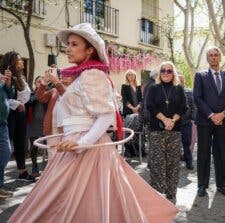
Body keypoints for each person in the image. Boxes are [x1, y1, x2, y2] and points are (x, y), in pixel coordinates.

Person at [8, 23, 178, 222]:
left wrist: (82, 143)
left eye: (74, 44)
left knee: (71, 199)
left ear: (90, 50)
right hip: (74, 143)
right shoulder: (82, 75)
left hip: (86, 146)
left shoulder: (92, 74)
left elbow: (105, 115)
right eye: (68, 44)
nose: (68, 48)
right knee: (63, 198)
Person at [193, 46, 225, 197]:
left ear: (220, 57)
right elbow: (197, 98)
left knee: (220, 153)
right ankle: (202, 185)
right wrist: (212, 115)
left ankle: (221, 185)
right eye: (210, 55)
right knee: (203, 153)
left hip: (222, 122)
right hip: (205, 121)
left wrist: (223, 114)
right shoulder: (200, 76)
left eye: (216, 55)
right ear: (207, 58)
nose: (213, 57)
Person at [146, 61, 187, 201]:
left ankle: (171, 194)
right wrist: (164, 120)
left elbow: (183, 107)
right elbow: (150, 106)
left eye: (169, 71)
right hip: (157, 130)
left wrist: (172, 121)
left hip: (174, 131)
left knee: (173, 164)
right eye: (163, 70)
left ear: (173, 73)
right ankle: (157, 196)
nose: (166, 73)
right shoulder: (153, 88)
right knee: (157, 164)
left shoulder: (178, 88)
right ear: (159, 72)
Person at [1, 51, 35, 182]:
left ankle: (22, 171)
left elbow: (26, 95)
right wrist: (16, 103)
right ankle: (1, 176)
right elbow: (4, 97)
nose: (22, 62)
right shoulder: (4, 76)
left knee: (20, 141)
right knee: (6, 144)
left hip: (21, 113)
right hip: (9, 114)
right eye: (19, 60)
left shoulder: (21, 78)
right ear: (12, 62)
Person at [26, 76, 47, 177]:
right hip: (33, 124)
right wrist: (39, 91)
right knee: (34, 147)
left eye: (42, 81)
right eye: (38, 81)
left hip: (46, 124)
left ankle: (49, 169)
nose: (40, 83)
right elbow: (30, 102)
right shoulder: (31, 94)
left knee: (48, 146)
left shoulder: (48, 94)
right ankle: (34, 168)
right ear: (35, 83)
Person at [121, 69, 143, 158]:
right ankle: (128, 150)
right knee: (128, 130)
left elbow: (141, 99)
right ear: (127, 76)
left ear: (135, 76)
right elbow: (124, 99)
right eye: (129, 75)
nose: (131, 76)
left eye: (132, 74)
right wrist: (132, 108)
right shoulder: (124, 86)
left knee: (137, 131)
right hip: (128, 112)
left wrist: (137, 107)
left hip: (138, 111)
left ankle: (137, 150)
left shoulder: (138, 87)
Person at [0, 68, 15, 199]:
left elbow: (10, 94)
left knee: (5, 153)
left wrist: (9, 81)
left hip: (3, 124)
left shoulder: (2, 82)